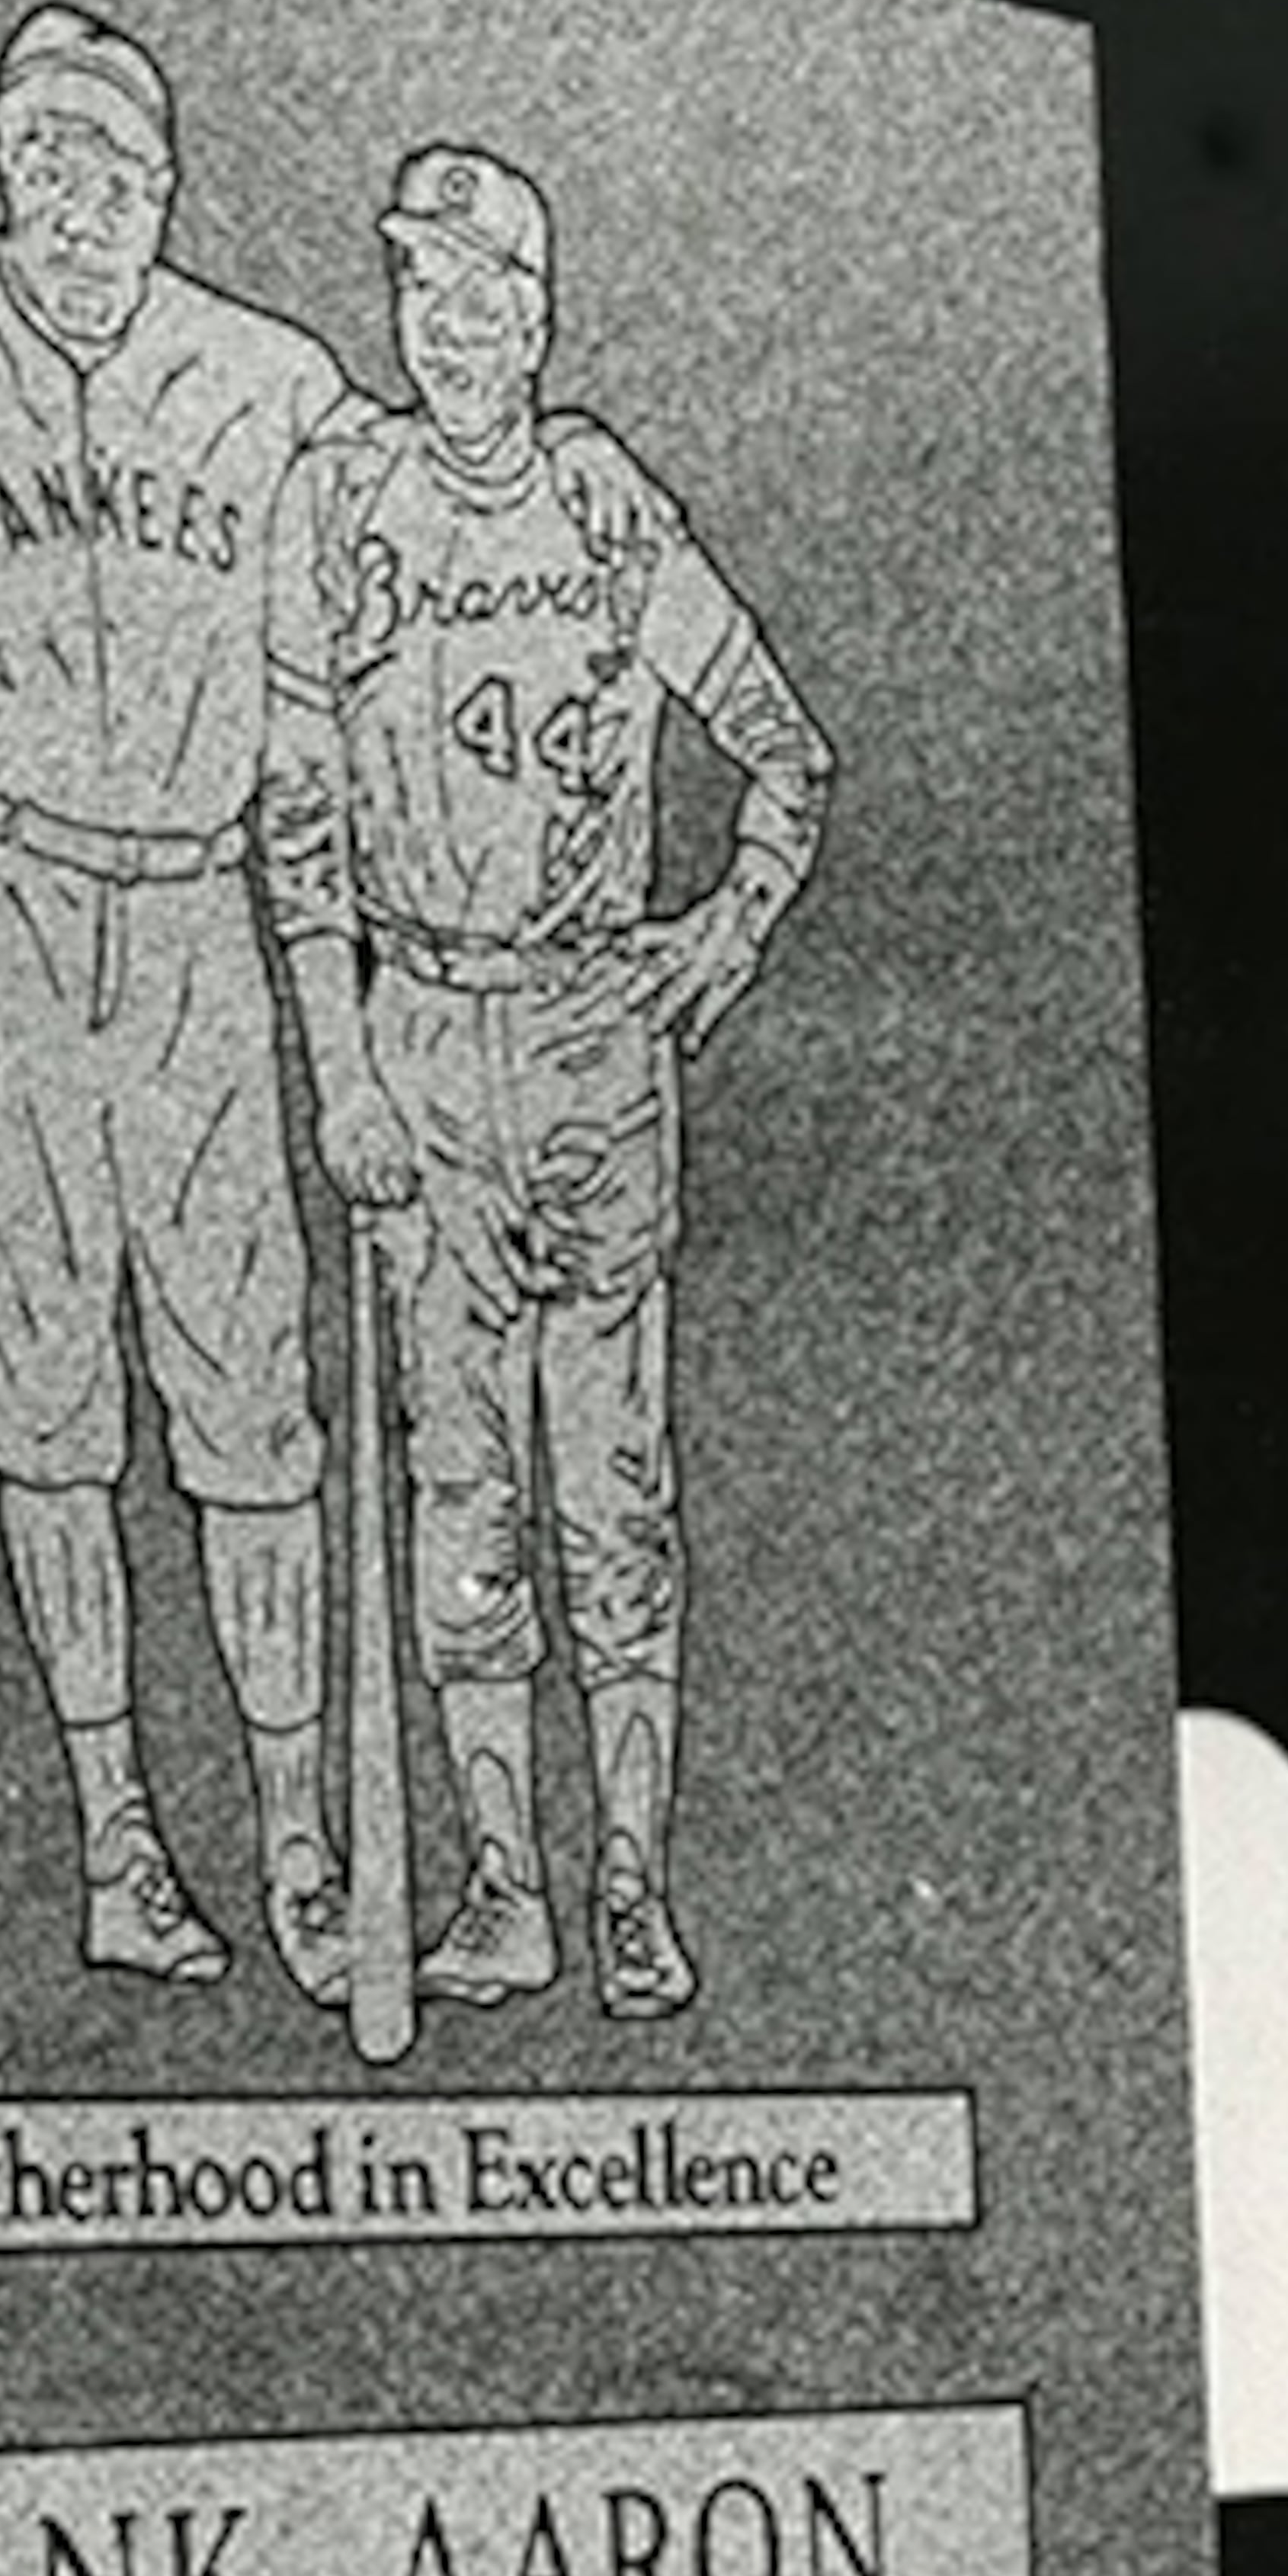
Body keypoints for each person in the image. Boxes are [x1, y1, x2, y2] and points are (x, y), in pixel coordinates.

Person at [0, 5, 353, 2000]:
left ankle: (296, 1837)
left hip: (193, 926)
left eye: (111, 167)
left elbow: (320, 718)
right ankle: (121, 1837)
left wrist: (342, 1018)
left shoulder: (273, 384)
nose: (76, 200)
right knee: (45, 1412)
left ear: (165, 186)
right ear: (1, 170)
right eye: (41, 160)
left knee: (251, 1397)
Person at [258, 145, 835, 2020]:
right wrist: (340, 1066)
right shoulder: (341, 502)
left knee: (618, 1489)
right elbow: (296, 821)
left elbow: (783, 755)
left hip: (596, 1042)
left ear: (541, 311)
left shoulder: (602, 506)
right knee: (463, 1490)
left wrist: (721, 941)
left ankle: (632, 1884)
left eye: (486, 293)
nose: (454, 326)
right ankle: (505, 1884)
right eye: (423, 294)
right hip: (422, 1038)